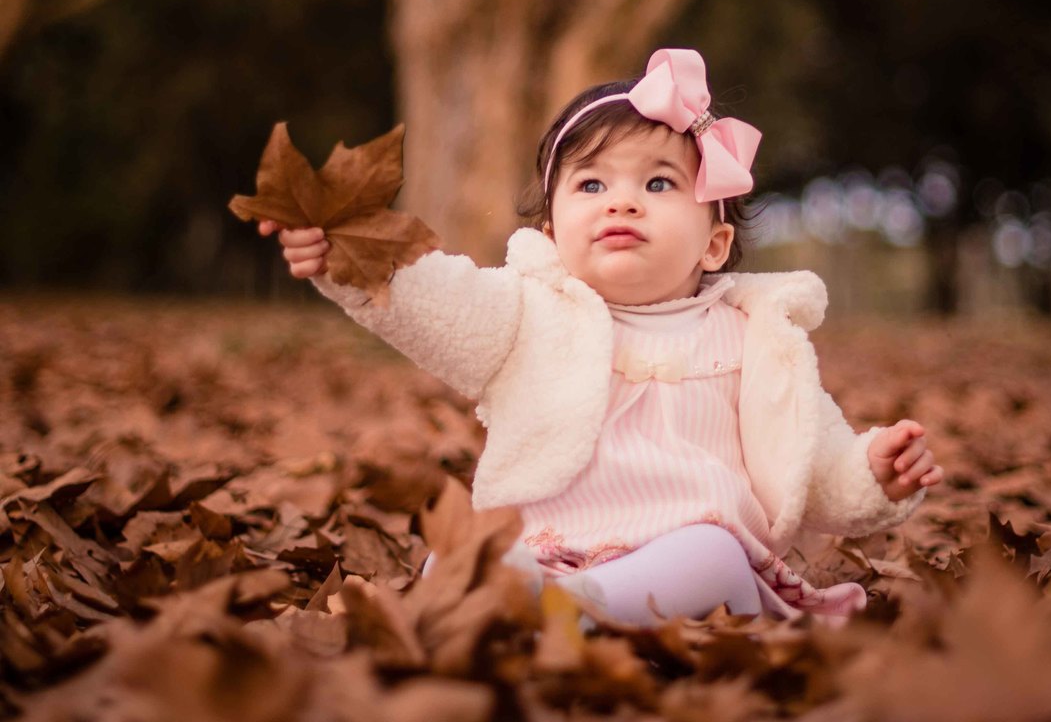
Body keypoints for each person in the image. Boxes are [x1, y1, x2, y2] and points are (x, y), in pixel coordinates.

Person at [259, 48, 942, 629]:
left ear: (715, 243)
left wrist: (871, 472)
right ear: (553, 234)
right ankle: (543, 606)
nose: (622, 201)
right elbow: (433, 300)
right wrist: (350, 258)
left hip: (689, 564)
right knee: (458, 553)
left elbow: (812, 463)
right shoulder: (528, 314)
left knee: (709, 554)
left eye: (657, 183)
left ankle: (582, 609)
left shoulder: (759, 337)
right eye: (591, 183)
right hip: (549, 547)